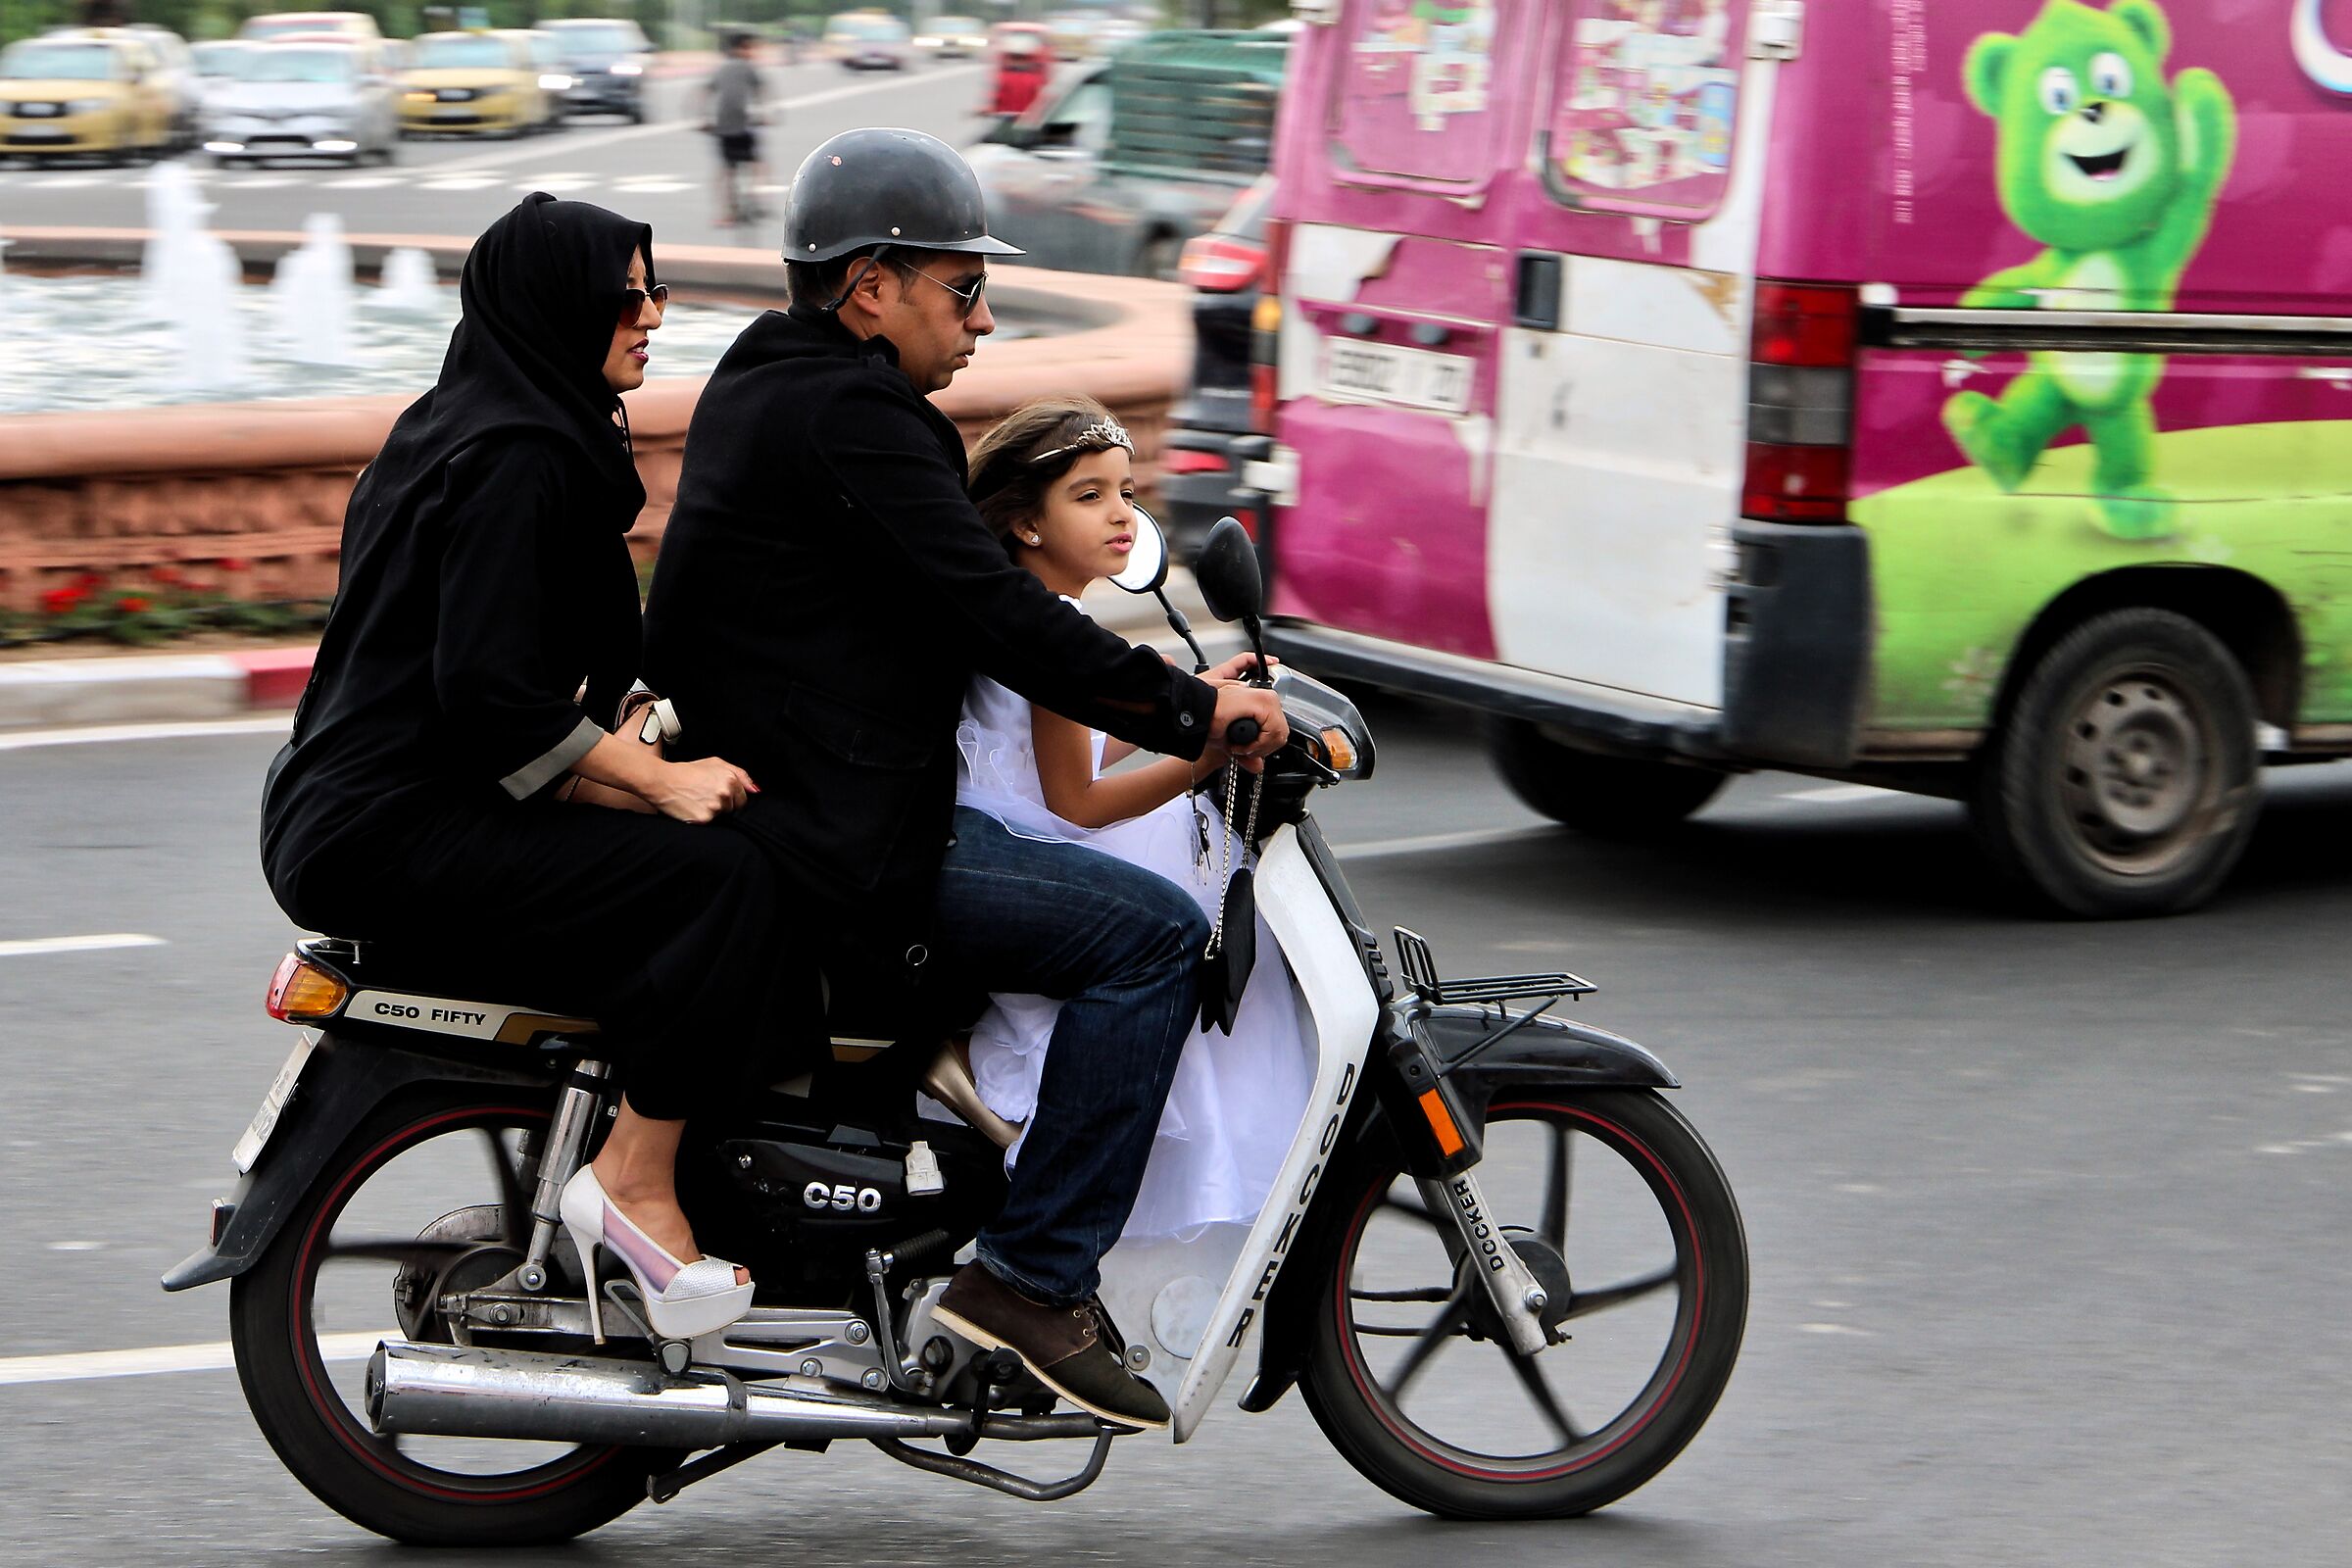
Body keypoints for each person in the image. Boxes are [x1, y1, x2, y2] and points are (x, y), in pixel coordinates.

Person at [641, 127, 1288, 1430]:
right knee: (1151, 940)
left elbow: (977, 613)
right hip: (846, 831)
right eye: (964, 288)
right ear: (870, 285)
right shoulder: (854, 418)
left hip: (814, 795)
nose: (983, 320)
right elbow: (992, 613)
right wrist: (1191, 712)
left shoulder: (776, 385)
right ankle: (1032, 1281)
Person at [260, 193, 806, 1345]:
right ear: (559, 303)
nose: (654, 313)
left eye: (656, 288)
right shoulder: (518, 456)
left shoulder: (478, 422)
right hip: (393, 826)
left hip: (367, 807)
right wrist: (657, 781)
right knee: (725, 883)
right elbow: (493, 693)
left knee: (693, 861)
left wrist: (658, 744)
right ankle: (639, 1185)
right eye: (630, 290)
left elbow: (548, 686)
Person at [955, 397, 1317, 1241]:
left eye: (1125, 492)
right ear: (1027, 525)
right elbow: (1073, 804)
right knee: (1195, 919)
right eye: (1088, 496)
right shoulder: (1045, 629)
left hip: (1014, 826)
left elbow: (1070, 758)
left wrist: (1196, 696)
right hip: (1022, 845)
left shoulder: (1034, 613)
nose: (1122, 514)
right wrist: (1204, 757)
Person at [703, 29, 768, 228]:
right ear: (741, 48)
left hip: (723, 128)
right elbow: (760, 92)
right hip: (743, 127)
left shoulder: (721, 69)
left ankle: (728, 213)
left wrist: (704, 118)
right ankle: (755, 203)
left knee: (727, 171)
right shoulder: (748, 68)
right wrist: (764, 116)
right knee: (757, 165)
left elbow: (704, 92)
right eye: (750, 47)